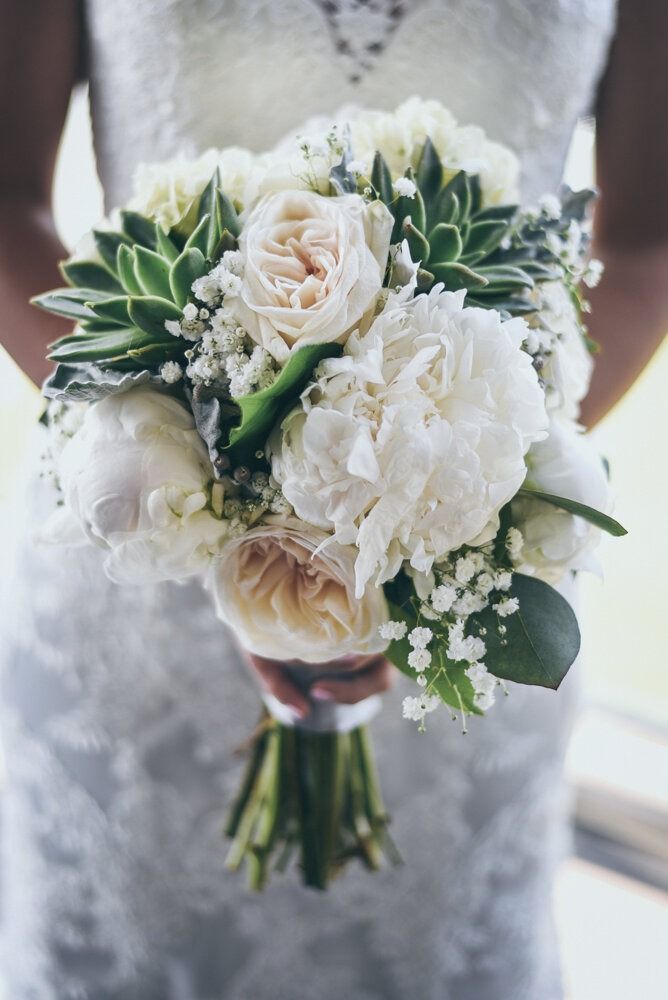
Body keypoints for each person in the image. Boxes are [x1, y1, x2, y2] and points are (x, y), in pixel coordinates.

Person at [0, 1, 665, 998]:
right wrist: (204, 489)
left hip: (466, 577)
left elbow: (647, 246)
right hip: (135, 543)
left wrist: (452, 510)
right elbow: (8, 198)